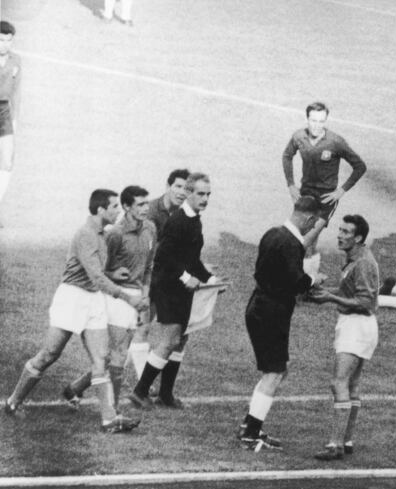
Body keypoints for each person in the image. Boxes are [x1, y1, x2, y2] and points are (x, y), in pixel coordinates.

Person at [4, 189, 145, 433]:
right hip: (71, 298)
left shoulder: (103, 234)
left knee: (101, 358)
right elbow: (95, 276)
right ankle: (13, 401)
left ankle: (109, 419)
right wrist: (126, 298)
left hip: (93, 299)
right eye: (114, 207)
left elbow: (98, 274)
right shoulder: (86, 235)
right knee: (49, 354)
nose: (118, 212)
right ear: (100, 209)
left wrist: (111, 274)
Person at [128, 173, 218, 409]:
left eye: (208, 194)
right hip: (167, 287)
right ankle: (140, 391)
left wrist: (212, 279)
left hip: (179, 288)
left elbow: (191, 258)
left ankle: (166, 395)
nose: (205, 198)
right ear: (188, 193)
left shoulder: (195, 219)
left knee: (181, 339)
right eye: (200, 193)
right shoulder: (178, 221)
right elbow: (164, 257)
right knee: (170, 340)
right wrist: (186, 276)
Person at [237, 196, 320, 451]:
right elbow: (296, 282)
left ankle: (249, 424)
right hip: (271, 313)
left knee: (278, 370)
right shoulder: (292, 244)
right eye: (313, 223)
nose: (312, 227)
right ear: (308, 218)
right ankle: (251, 434)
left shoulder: (272, 234)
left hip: (258, 306)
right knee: (274, 372)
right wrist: (313, 280)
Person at [63, 186, 156, 409]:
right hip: (117, 298)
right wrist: (114, 274)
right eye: (140, 204)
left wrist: (145, 296)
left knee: (110, 357)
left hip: (137, 298)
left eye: (147, 203)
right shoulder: (114, 234)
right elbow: (98, 270)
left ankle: (75, 389)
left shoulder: (151, 229)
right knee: (118, 355)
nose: (146, 208)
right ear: (126, 207)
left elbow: (149, 267)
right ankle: (112, 411)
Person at [309, 214, 379, 461]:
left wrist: (331, 298)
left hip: (357, 326)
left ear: (358, 237)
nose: (340, 235)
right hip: (357, 325)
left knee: (338, 383)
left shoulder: (363, 263)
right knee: (352, 385)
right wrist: (326, 292)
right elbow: (350, 290)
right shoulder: (354, 258)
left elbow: (364, 301)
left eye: (346, 232)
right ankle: (346, 440)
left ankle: (334, 444)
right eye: (340, 230)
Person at [282, 102, 367, 281]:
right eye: (313, 120)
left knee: (307, 239)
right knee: (308, 241)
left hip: (326, 201)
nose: (316, 125)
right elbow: (287, 155)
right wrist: (291, 184)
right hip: (305, 195)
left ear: (326, 120)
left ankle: (304, 281)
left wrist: (341, 191)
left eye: (321, 121)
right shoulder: (299, 137)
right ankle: (309, 279)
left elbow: (359, 166)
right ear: (307, 119)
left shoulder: (335, 142)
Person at [127, 168, 190, 377]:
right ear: (167, 187)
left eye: (186, 189)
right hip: (143, 279)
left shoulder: (183, 214)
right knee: (140, 330)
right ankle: (141, 384)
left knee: (136, 336)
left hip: (162, 279)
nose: (182, 192)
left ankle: (75, 388)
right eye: (178, 187)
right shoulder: (152, 212)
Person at [0, 21, 21, 212]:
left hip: (4, 111)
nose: (5, 44)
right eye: (1, 40)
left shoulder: (16, 60)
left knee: (6, 163)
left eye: (8, 40)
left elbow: (16, 92)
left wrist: (15, 119)